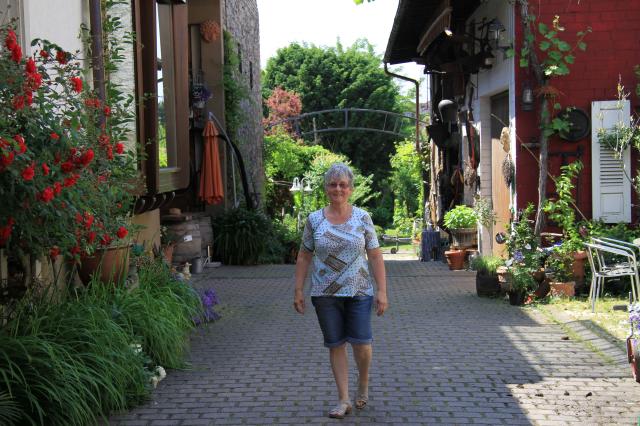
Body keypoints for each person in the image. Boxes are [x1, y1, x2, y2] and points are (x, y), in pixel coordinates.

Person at [293, 162, 388, 419]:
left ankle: (363, 381)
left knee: (362, 343)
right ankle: (344, 399)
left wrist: (382, 291)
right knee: (336, 345)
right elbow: (304, 255)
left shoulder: (362, 217)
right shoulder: (314, 220)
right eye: (333, 184)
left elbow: (375, 255)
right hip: (325, 293)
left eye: (343, 185)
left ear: (351, 189)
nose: (338, 189)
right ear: (326, 188)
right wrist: (298, 290)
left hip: (359, 291)